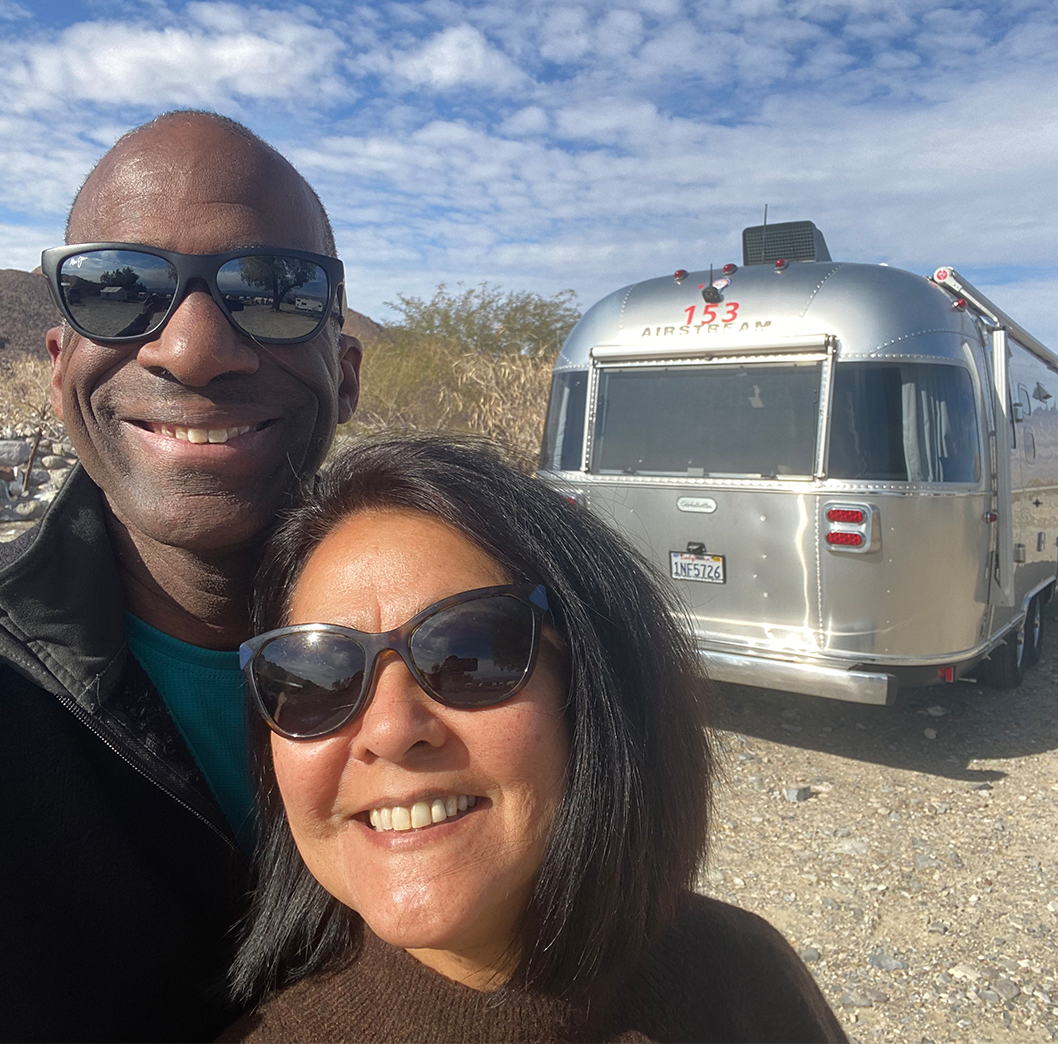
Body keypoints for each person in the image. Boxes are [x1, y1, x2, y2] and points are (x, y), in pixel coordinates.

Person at [222, 435, 847, 1043]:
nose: (389, 730)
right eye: (313, 678)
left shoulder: (741, 975)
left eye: (469, 651)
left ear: (594, 692)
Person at [0, 111, 361, 1043]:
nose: (194, 348)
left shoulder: (483, 657)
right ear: (57, 367)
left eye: (273, 290)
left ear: (347, 371)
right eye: (117, 290)